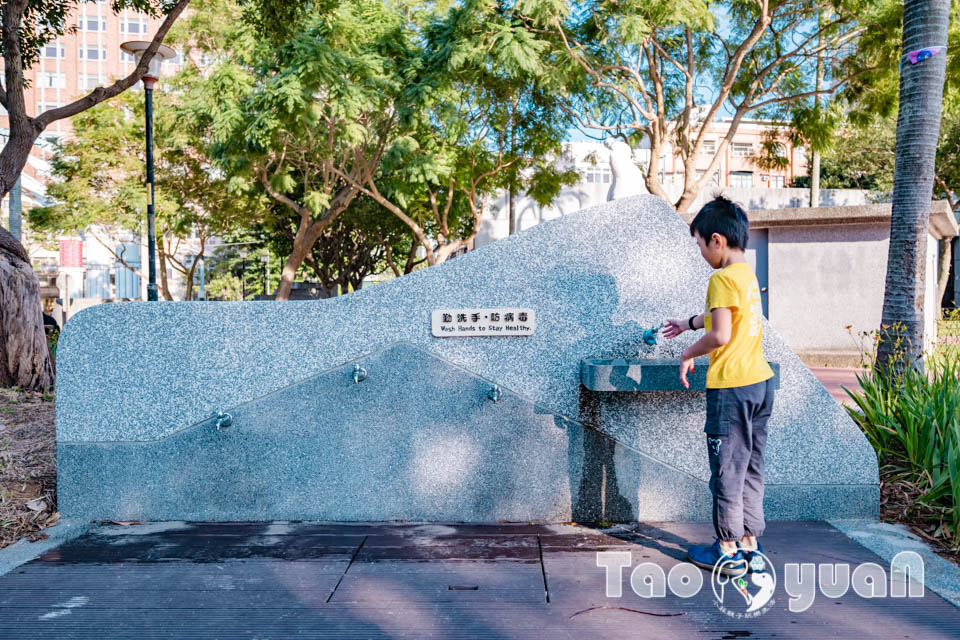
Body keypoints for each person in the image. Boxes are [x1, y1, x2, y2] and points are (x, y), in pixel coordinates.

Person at [662, 195, 775, 577]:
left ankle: (726, 550)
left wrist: (686, 353)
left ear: (716, 240)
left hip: (731, 388)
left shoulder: (720, 277)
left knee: (727, 469)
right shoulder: (746, 275)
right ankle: (750, 547)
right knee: (751, 468)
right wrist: (688, 323)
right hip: (760, 385)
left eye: (698, 244)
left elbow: (721, 334)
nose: (699, 253)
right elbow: (728, 318)